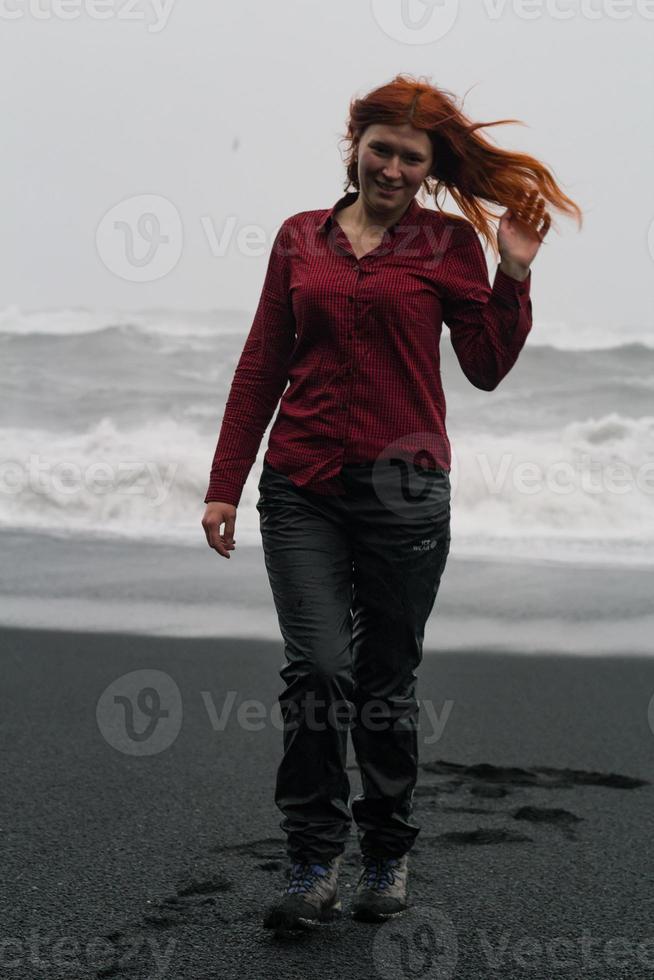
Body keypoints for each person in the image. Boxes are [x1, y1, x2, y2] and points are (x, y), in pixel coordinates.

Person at [201, 74, 582, 936]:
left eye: (413, 157)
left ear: (430, 166)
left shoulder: (449, 245)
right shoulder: (302, 238)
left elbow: (484, 365)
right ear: (356, 147)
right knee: (319, 672)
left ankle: (385, 850)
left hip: (405, 496)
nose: (395, 167)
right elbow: (263, 359)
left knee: (383, 684)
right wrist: (225, 482)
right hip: (299, 485)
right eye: (382, 149)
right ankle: (310, 857)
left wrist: (514, 275)